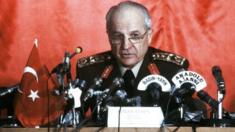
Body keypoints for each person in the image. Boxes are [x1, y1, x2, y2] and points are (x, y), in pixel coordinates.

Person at [76, 1, 206, 124]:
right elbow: (73, 119)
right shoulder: (90, 70)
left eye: (135, 36)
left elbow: (191, 114)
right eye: (117, 36)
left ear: (149, 36)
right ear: (109, 36)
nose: (126, 46)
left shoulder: (171, 69)